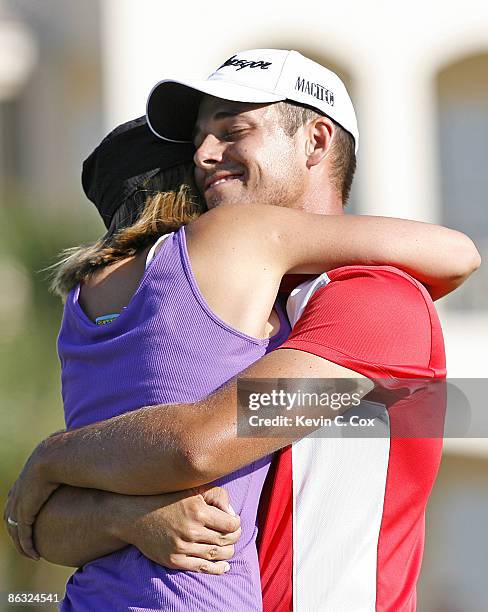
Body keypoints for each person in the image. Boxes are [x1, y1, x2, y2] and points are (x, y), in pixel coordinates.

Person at [5, 49, 480, 611]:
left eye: (234, 130)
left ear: (317, 142)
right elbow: (43, 527)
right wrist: (128, 517)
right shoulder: (230, 304)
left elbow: (199, 443)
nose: (205, 156)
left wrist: (56, 456)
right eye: (198, 141)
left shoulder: (375, 305)